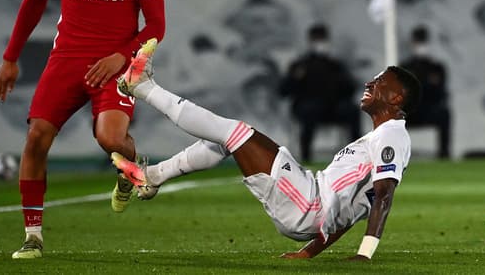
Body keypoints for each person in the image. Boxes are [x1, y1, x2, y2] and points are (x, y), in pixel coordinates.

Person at [112, 38, 422, 260]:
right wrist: (309, 252)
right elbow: (349, 212)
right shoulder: (383, 138)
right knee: (227, 141)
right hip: (307, 202)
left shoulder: (392, 136)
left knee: (235, 132)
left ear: (396, 99)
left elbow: (384, 196)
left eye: (380, 82)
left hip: (306, 203)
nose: (370, 83)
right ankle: (151, 177)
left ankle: (142, 86)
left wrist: (364, 255)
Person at [0, 0, 166, 259]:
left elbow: (157, 25)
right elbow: (34, 0)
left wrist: (122, 56)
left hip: (117, 63)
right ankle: (33, 236)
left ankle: (130, 163)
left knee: (108, 139)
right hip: (67, 58)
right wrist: (10, 58)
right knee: (37, 137)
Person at [279, 23, 362, 162]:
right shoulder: (300, 65)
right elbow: (283, 91)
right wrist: (295, 78)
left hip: (333, 108)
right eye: (317, 40)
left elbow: (350, 89)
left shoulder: (335, 65)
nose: (320, 43)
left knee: (352, 110)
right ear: (310, 41)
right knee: (311, 110)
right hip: (307, 108)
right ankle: (306, 156)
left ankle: (358, 154)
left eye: (323, 39)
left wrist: (342, 83)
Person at [399, 25, 452, 159]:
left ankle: (444, 154)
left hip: (429, 109)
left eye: (423, 41)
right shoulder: (405, 66)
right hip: (409, 112)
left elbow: (439, 91)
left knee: (444, 113)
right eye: (418, 41)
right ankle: (395, 155)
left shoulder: (436, 67)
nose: (421, 45)